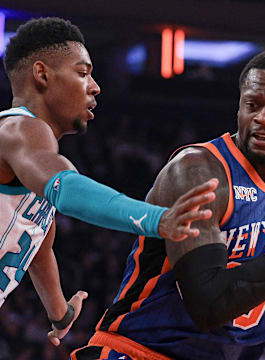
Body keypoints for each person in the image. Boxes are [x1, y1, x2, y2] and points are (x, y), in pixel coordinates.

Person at [70, 48, 265, 360]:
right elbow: (208, 307)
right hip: (138, 352)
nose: (263, 118)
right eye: (253, 105)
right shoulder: (198, 173)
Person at [0, 17, 218, 346]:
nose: (95, 86)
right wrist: (159, 219)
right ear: (42, 75)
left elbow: (36, 244)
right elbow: (68, 189)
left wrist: (61, 313)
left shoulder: (30, 163)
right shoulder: (20, 129)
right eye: (82, 72)